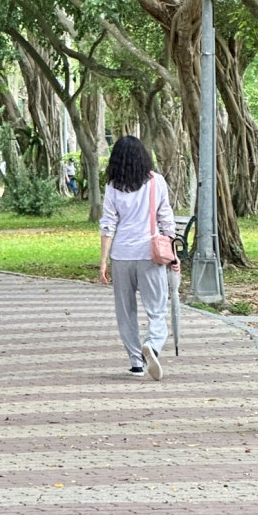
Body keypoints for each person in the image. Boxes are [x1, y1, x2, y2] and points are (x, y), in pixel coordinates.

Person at [98, 136, 175, 381]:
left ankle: (136, 362)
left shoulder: (113, 186)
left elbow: (108, 224)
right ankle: (152, 344)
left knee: (125, 311)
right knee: (157, 308)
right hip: (150, 253)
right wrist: (173, 253)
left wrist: (103, 261)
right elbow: (166, 218)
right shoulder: (156, 182)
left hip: (121, 255)